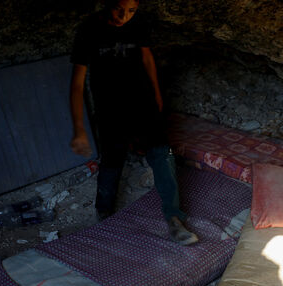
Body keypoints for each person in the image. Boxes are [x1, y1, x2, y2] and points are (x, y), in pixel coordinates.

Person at [69, 0, 199, 245]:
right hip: (110, 108)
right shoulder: (89, 29)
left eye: (131, 10)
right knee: (111, 161)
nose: (124, 16)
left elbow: (147, 59)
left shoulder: (138, 23)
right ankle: (104, 212)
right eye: (119, 8)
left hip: (143, 102)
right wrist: (79, 129)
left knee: (163, 154)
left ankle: (174, 218)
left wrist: (158, 98)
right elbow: (77, 84)